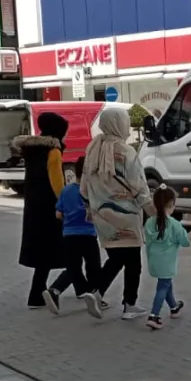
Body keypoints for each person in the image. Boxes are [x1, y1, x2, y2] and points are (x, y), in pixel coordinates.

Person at [80, 107, 150, 320]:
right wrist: (152, 210)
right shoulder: (126, 152)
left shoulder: (92, 151)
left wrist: (89, 208)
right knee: (133, 262)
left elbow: (84, 188)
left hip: (102, 217)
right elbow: (138, 185)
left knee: (117, 258)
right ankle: (129, 305)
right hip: (126, 216)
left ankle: (97, 292)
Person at [15, 111, 70, 308]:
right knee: (61, 251)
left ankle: (37, 293)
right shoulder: (53, 152)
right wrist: (66, 204)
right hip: (50, 209)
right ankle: (39, 293)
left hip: (34, 207)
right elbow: (57, 184)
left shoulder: (31, 150)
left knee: (42, 253)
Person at [45, 162, 106, 314]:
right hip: (88, 235)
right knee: (93, 266)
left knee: (73, 267)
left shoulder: (66, 190)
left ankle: (55, 290)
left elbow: (58, 214)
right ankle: (93, 295)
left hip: (69, 235)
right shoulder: (92, 192)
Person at [143, 186, 191, 329]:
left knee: (166, 282)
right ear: (171, 204)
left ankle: (174, 308)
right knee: (163, 286)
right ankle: (154, 316)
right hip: (167, 262)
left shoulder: (149, 222)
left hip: (154, 262)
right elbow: (186, 241)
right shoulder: (174, 224)